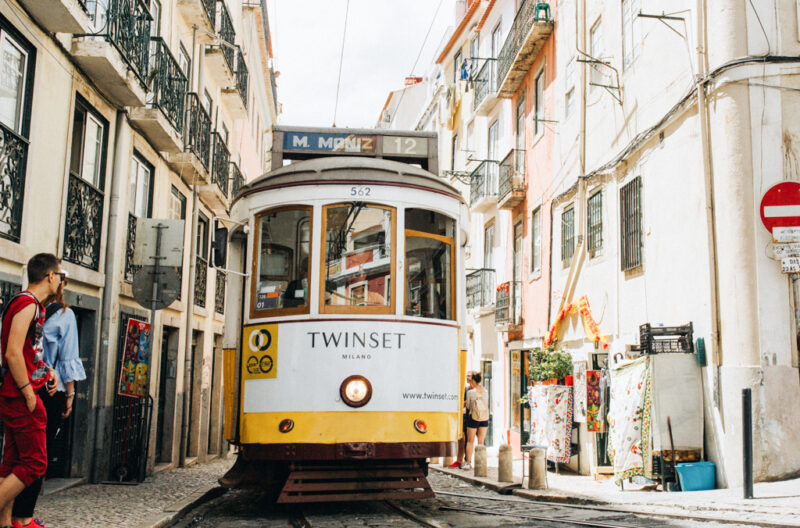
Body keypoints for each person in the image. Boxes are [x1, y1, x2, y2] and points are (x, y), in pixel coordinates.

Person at [11, 282, 85, 528]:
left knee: (16, 457)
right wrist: (70, 397)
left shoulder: (28, 310)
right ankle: (24, 516)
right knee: (37, 459)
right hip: (48, 391)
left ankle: (14, 514)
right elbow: (68, 356)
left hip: (22, 386)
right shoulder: (65, 314)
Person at [0, 254, 61, 528]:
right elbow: (12, 353)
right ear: (50, 276)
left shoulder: (33, 305)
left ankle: (6, 523)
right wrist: (27, 393)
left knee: (13, 463)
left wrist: (48, 370)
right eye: (60, 276)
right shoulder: (26, 304)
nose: (61, 281)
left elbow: (26, 353)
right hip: (20, 396)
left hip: (18, 393)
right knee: (36, 463)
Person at [463, 371, 490, 470]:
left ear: (473, 380)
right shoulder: (486, 391)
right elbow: (486, 404)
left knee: (470, 441)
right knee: (481, 441)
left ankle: (468, 463)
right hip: (484, 417)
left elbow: (469, 406)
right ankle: (481, 463)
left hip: (473, 417)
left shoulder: (471, 392)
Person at [448, 371, 473, 469]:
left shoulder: (477, 390)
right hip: (464, 416)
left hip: (474, 417)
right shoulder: (465, 389)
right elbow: (460, 403)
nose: (468, 378)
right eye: (467, 376)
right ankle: (460, 460)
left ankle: (468, 461)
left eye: (469, 376)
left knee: (470, 440)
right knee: (462, 439)